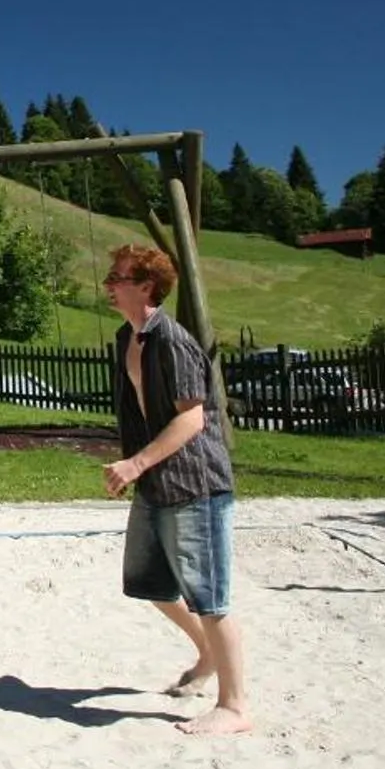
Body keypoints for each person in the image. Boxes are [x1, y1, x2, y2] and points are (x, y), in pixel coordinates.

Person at [101, 244, 253, 735]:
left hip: (195, 484)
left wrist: (135, 463)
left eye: (118, 277)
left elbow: (192, 418)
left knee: (210, 597)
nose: (108, 284)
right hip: (155, 481)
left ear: (146, 286)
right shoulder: (128, 337)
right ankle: (207, 652)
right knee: (149, 584)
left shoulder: (173, 340)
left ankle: (235, 707)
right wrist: (137, 466)